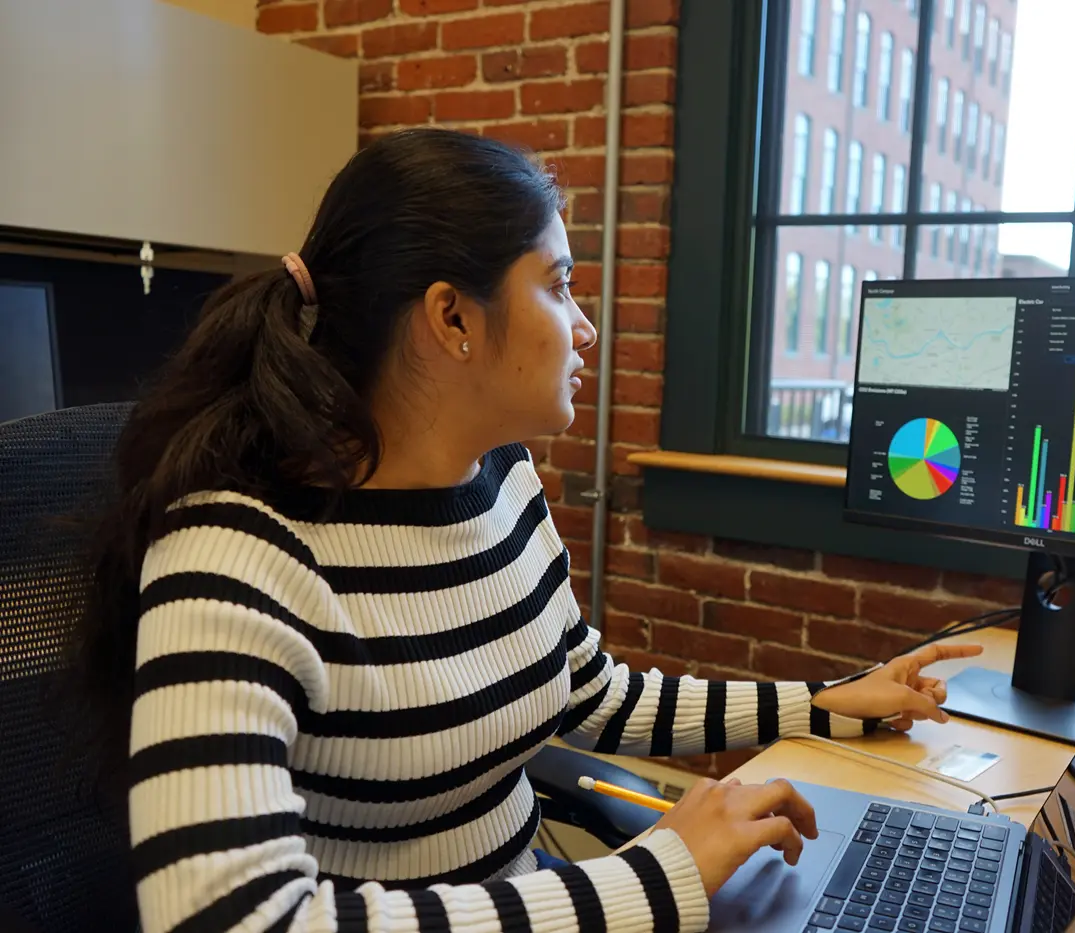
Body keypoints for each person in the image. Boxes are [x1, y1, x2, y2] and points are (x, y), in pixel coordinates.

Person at [71, 128, 980, 933]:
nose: (585, 329)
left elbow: (583, 692)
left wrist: (826, 701)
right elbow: (225, 916)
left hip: (541, 891)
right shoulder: (239, 549)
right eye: (559, 287)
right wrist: (653, 879)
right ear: (452, 318)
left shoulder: (503, 477)